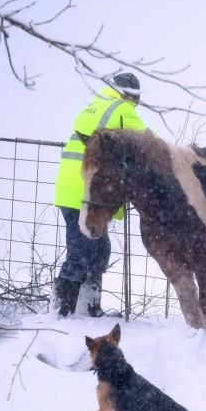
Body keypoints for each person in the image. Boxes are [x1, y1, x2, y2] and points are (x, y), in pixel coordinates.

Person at [52, 73, 150, 316]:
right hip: (85, 193)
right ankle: (60, 313)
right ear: (131, 95)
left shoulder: (95, 105)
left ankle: (88, 308)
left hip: (75, 189)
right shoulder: (121, 109)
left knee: (98, 249)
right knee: (81, 252)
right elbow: (150, 142)